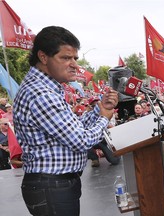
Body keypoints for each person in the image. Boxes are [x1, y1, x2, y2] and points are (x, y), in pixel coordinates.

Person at [13, 26, 118, 216]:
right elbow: (81, 141)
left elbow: (74, 129)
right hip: (51, 187)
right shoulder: (41, 93)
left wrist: (99, 109)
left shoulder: (49, 88)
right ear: (43, 57)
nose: (74, 65)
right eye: (65, 58)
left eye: (75, 58)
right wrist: (104, 118)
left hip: (55, 186)